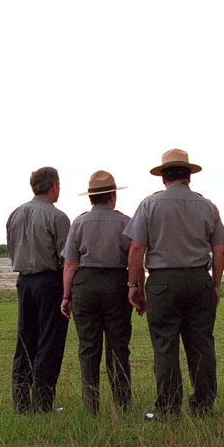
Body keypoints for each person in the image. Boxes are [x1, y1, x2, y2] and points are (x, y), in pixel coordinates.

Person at [124, 148, 224, 418]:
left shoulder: (149, 204)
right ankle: (204, 405)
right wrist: (215, 285)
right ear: (189, 177)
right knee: (202, 344)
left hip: (162, 282)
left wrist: (134, 285)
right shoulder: (207, 206)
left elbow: (136, 248)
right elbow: (219, 250)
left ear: (163, 178)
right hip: (198, 279)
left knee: (165, 346)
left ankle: (169, 408)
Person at [60, 170, 133, 413]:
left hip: (86, 284)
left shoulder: (79, 222)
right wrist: (136, 288)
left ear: (91, 198)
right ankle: (122, 404)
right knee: (118, 346)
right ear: (113, 196)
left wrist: (66, 296)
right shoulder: (124, 222)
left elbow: (70, 264)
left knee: (88, 347)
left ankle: (91, 406)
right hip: (116, 283)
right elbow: (133, 258)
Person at [6, 166, 71, 413]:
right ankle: (44, 404)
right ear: (54, 186)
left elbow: (11, 249)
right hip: (50, 283)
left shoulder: (15, 214)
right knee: (49, 343)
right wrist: (68, 293)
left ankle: (21, 403)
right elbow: (66, 259)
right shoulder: (58, 217)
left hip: (24, 281)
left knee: (24, 342)